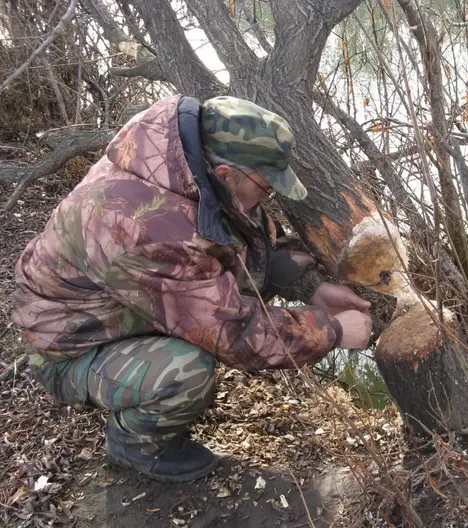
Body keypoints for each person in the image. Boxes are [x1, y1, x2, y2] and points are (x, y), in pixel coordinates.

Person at [11, 95, 373, 482]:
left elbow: (248, 241)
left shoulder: (179, 165)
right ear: (226, 173)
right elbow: (235, 335)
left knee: (216, 304)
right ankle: (135, 446)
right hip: (71, 346)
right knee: (186, 370)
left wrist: (309, 287)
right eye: (266, 187)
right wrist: (332, 332)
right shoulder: (150, 230)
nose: (269, 198)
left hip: (117, 304)